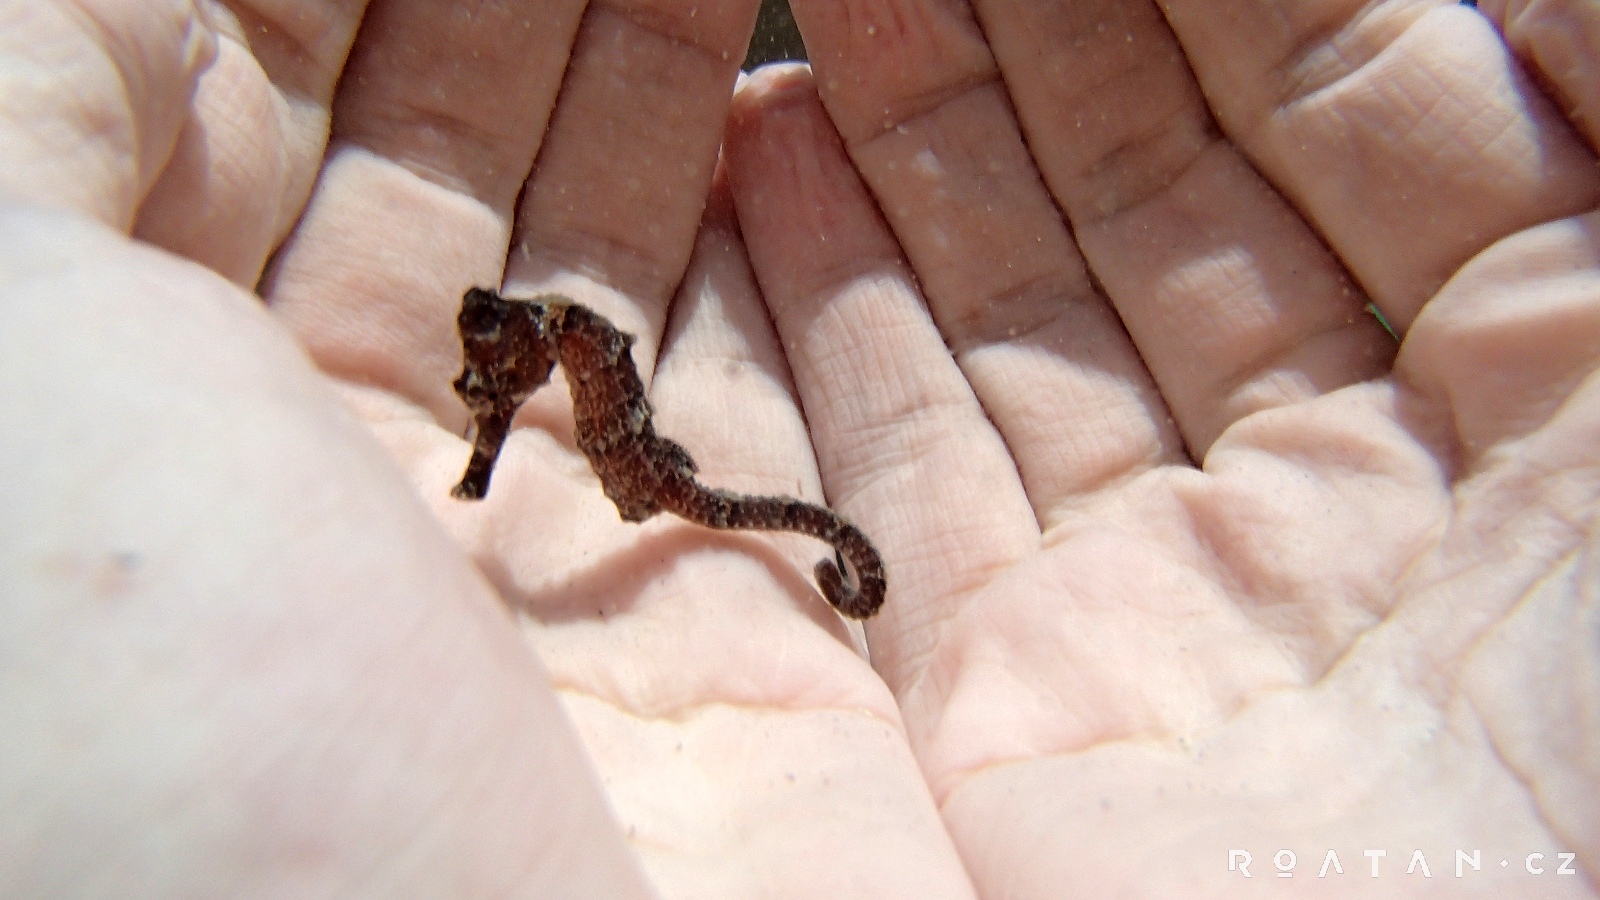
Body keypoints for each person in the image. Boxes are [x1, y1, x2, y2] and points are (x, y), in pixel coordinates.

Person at [3, 0, 1595, 894]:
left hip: (641, 458)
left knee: (713, 495)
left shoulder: (580, 372)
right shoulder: (547, 353)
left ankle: (812, 539)